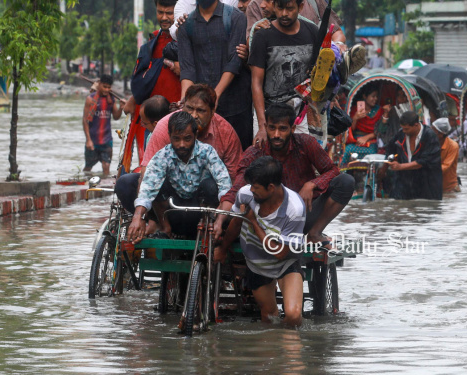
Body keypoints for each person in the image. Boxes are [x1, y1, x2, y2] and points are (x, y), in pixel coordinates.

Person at [216, 104, 354, 246]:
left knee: (346, 181)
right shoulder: (255, 152)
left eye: (282, 129)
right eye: (272, 128)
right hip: (267, 222)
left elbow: (333, 170)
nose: (276, 135)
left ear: (292, 129)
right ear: (265, 127)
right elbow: (236, 189)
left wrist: (312, 184)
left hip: (302, 217)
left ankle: (314, 233)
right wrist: (219, 220)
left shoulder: (306, 143)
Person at [115, 85, 243, 219]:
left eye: (200, 110)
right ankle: (156, 223)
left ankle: (209, 225)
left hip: (204, 205)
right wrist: (139, 216)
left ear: (212, 111)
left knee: (211, 186)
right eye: (189, 108)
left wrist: (222, 218)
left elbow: (231, 180)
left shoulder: (223, 134)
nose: (193, 115)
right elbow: (148, 174)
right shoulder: (164, 127)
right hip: (170, 201)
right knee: (126, 183)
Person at [213, 156, 306, 326]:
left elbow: (280, 253)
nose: (251, 191)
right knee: (269, 316)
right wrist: (223, 248)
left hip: (285, 263)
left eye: (256, 188)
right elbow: (235, 223)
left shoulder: (295, 209)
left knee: (293, 315)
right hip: (257, 265)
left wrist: (253, 222)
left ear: (271, 187)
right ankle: (272, 347)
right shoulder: (245, 194)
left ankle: (290, 347)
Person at [177, 0, 253, 150]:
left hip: (236, 105)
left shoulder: (235, 18)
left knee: (238, 158)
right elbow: (187, 68)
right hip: (200, 110)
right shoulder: (186, 25)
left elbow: (233, 62)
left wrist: (215, 96)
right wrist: (185, 100)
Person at [126, 111, 231, 241]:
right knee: (158, 184)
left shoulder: (207, 152)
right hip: (173, 210)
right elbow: (147, 189)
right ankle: (165, 228)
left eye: (187, 138)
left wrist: (220, 220)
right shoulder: (162, 156)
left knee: (210, 185)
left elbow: (225, 185)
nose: (182, 144)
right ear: (169, 136)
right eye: (176, 139)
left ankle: (205, 227)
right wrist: (137, 218)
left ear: (195, 135)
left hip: (201, 209)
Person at [249, 0, 320, 141]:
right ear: (273, 5)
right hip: (269, 113)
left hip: (301, 114)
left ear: (300, 7)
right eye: (280, 8)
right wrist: (262, 125)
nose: (284, 14)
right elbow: (256, 83)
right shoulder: (263, 36)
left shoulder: (312, 32)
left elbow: (318, 71)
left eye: (290, 9)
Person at [381, 111, 443, 200]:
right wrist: (384, 169)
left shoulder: (430, 136)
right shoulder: (401, 133)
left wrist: (401, 166)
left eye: (406, 129)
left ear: (416, 125)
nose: (404, 131)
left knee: (425, 209)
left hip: (427, 182)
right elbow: (390, 149)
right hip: (405, 182)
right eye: (402, 128)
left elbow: (424, 161)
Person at [83, 74, 123, 175]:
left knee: (106, 167)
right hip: (93, 140)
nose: (106, 89)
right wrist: (88, 140)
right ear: (99, 84)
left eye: (109, 87)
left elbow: (116, 117)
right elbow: (85, 121)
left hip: (107, 140)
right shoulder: (90, 99)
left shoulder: (111, 100)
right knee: (88, 168)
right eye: (104, 86)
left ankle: (105, 188)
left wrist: (121, 107)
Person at [342, 87, 390, 164]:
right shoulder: (355, 109)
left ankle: (370, 175)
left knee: (372, 152)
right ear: (365, 96)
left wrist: (366, 137)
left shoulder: (380, 111)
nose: (375, 99)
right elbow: (351, 129)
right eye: (373, 96)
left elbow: (381, 130)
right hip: (356, 140)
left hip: (371, 140)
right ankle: (344, 173)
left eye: (377, 96)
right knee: (348, 150)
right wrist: (355, 118)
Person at [135, 95, 171, 165]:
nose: (143, 126)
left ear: (156, 124)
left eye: (144, 123)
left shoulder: (153, 138)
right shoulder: (150, 136)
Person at [432, 117, 460, 193]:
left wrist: (428, 171)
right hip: (433, 187)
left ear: (441, 134)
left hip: (449, 189)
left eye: (433, 131)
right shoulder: (430, 143)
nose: (430, 133)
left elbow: (445, 166)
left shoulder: (453, 146)